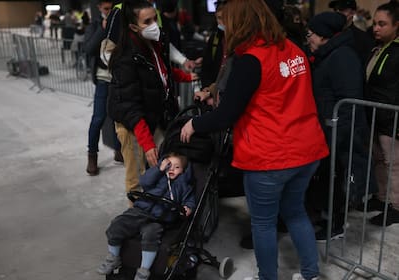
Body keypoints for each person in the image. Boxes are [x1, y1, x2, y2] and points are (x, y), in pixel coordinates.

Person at [180, 1, 329, 279]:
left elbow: (226, 115)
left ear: (240, 23)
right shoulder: (292, 49)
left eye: (226, 21)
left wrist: (194, 123)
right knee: (296, 213)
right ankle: (311, 274)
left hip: (270, 156)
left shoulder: (251, 59)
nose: (222, 27)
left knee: (263, 223)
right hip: (307, 150)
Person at [305, 12, 374, 241]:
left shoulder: (342, 57)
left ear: (324, 36)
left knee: (336, 180)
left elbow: (349, 103)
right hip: (327, 131)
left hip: (338, 134)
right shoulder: (330, 54)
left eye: (311, 34)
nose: (309, 39)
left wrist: (337, 137)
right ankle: (326, 217)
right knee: (326, 180)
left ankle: (334, 225)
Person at [107, 0, 178, 198]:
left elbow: (159, 72)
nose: (154, 25)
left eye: (155, 18)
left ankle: (159, 211)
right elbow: (130, 105)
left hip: (153, 117)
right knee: (137, 179)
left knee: (164, 168)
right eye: (147, 21)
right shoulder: (125, 56)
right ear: (133, 26)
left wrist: (185, 75)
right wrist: (147, 143)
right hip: (134, 125)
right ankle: (139, 220)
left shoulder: (153, 44)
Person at [97, 153, 195, 279]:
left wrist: (188, 207)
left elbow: (190, 200)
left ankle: (144, 270)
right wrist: (159, 169)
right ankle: (113, 257)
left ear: (183, 171)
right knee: (117, 224)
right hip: (141, 211)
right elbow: (144, 181)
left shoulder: (184, 186)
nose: (172, 169)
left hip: (160, 219)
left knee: (151, 234)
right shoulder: (158, 177)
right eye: (169, 165)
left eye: (177, 167)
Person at [364, 1, 399, 226]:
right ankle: (382, 198)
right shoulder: (379, 46)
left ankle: (397, 207)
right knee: (379, 160)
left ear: (397, 25)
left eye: (382, 24)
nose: (376, 28)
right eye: (375, 23)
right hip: (375, 114)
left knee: (393, 163)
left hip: (391, 117)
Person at [84, 0, 122, 176]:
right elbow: (89, 48)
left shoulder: (120, 22)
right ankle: (92, 156)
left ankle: (118, 150)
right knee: (98, 118)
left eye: (111, 9)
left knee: (117, 116)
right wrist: (103, 29)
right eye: (106, 9)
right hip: (102, 78)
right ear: (99, 8)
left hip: (119, 78)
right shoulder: (94, 25)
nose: (109, 12)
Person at [328, 0, 375, 67]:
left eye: (342, 9)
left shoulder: (363, 39)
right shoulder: (327, 35)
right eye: (335, 9)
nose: (337, 12)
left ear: (353, 12)